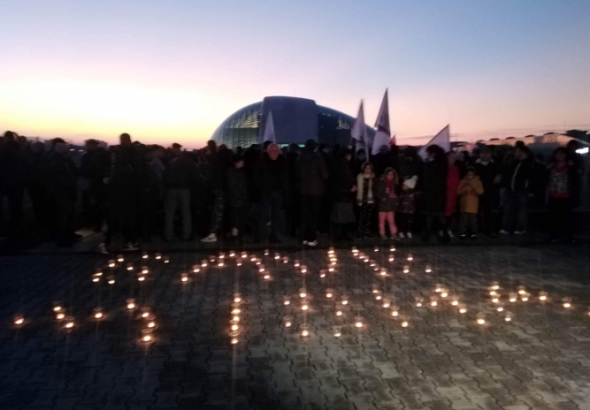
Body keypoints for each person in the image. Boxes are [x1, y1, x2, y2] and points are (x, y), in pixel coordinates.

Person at [254, 143, 290, 243]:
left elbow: (286, 178)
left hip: (278, 192)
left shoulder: (282, 161)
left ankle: (273, 235)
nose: (275, 153)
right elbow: (256, 176)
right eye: (273, 151)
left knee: (276, 216)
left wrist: (285, 191)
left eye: (277, 151)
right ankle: (260, 236)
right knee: (263, 215)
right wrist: (262, 187)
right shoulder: (262, 161)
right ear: (268, 152)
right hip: (266, 192)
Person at [297, 139, 329, 247]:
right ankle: (312, 238)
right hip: (316, 190)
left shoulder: (300, 158)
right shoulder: (318, 158)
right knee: (314, 215)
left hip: (303, 190)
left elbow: (296, 174)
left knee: (304, 215)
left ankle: (303, 238)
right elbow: (325, 174)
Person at [47, 139, 78, 246]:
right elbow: (61, 179)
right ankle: (63, 238)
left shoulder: (64, 162)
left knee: (68, 214)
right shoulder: (57, 163)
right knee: (63, 215)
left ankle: (68, 235)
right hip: (62, 192)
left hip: (66, 192)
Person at [0, 131, 27, 242]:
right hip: (18, 181)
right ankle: (18, 230)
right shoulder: (20, 148)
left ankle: (4, 230)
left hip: (5, 181)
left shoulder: (3, 148)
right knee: (16, 206)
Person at [500, 146, 532, 235]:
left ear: (522, 152)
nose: (515, 153)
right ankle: (508, 228)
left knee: (521, 210)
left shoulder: (529, 163)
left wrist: (530, 189)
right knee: (509, 210)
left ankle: (520, 228)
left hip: (521, 190)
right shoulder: (516, 162)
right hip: (511, 189)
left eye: (517, 151)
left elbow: (531, 178)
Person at [546, 147, 576, 243]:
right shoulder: (551, 166)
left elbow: (575, 180)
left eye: (562, 154)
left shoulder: (570, 166)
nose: (559, 156)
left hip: (566, 195)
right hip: (553, 195)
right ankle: (555, 235)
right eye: (558, 154)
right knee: (554, 217)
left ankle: (568, 236)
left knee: (566, 217)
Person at [420, 145, 448, 242]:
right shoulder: (441, 163)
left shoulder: (435, 164)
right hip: (436, 193)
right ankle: (443, 234)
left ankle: (435, 234)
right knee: (435, 215)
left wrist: (427, 163)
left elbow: (429, 176)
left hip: (433, 192)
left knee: (434, 214)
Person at [329, 148, 356, 241]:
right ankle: (341, 235)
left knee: (339, 216)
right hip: (344, 194)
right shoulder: (344, 166)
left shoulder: (337, 164)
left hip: (339, 194)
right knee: (343, 216)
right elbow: (344, 180)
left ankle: (339, 235)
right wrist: (350, 189)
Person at [474, 147, 499, 237]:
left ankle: (488, 230)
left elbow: (500, 173)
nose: (485, 155)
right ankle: (478, 228)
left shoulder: (494, 165)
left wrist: (499, 176)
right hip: (477, 191)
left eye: (487, 153)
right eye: (483, 153)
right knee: (476, 211)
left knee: (488, 211)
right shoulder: (475, 165)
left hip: (490, 191)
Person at [226, 154, 249, 244]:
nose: (243, 162)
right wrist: (241, 197)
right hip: (237, 201)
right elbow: (233, 187)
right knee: (236, 220)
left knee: (239, 220)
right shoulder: (233, 172)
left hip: (239, 200)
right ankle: (235, 237)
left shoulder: (238, 172)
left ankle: (237, 237)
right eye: (241, 161)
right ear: (236, 162)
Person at [397, 148, 419, 239]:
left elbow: (415, 176)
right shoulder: (403, 164)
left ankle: (408, 231)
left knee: (409, 219)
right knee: (403, 219)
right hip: (404, 198)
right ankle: (402, 231)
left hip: (410, 200)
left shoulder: (414, 165)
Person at [457, 167, 484, 240]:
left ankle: (473, 233)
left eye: (471, 174)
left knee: (473, 220)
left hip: (473, 204)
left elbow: (481, 191)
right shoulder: (463, 181)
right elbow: (458, 192)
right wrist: (464, 189)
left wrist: (474, 186)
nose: (469, 176)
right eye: (468, 174)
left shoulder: (478, 181)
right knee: (463, 220)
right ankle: (462, 233)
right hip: (464, 204)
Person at [376, 167, 398, 239]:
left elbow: (395, 194)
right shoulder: (382, 183)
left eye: (392, 174)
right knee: (382, 222)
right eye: (389, 174)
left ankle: (393, 233)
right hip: (383, 205)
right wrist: (383, 198)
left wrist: (394, 199)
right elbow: (378, 193)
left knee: (391, 221)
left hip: (390, 206)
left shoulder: (393, 184)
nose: (390, 176)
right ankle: (382, 234)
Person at [356, 162, 375, 238]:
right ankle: (360, 232)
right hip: (361, 199)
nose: (368, 170)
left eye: (369, 168)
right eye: (366, 168)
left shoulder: (373, 178)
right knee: (361, 217)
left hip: (370, 199)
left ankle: (367, 232)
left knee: (368, 217)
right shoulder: (360, 177)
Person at [444, 151, 460, 238]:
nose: (453, 160)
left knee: (451, 212)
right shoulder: (443, 168)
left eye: (454, 158)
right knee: (444, 212)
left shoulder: (455, 168)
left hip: (453, 194)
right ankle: (443, 229)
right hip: (445, 194)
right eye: (451, 157)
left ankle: (448, 228)